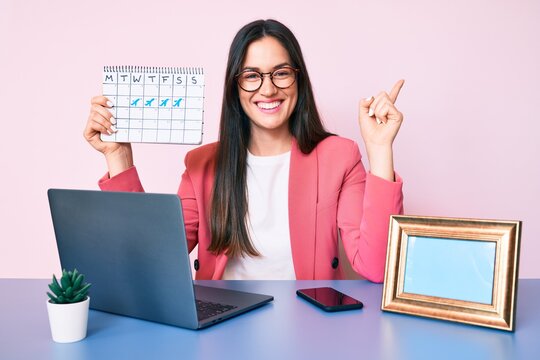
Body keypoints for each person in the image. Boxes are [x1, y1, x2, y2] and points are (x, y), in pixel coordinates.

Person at [84, 19, 404, 282]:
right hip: (221, 328)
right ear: (235, 88)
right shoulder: (201, 165)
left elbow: (376, 268)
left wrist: (379, 150)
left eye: (281, 73)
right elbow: (148, 260)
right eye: (251, 76)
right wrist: (118, 158)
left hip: (309, 326)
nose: (267, 88)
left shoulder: (340, 156)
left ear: (298, 80)